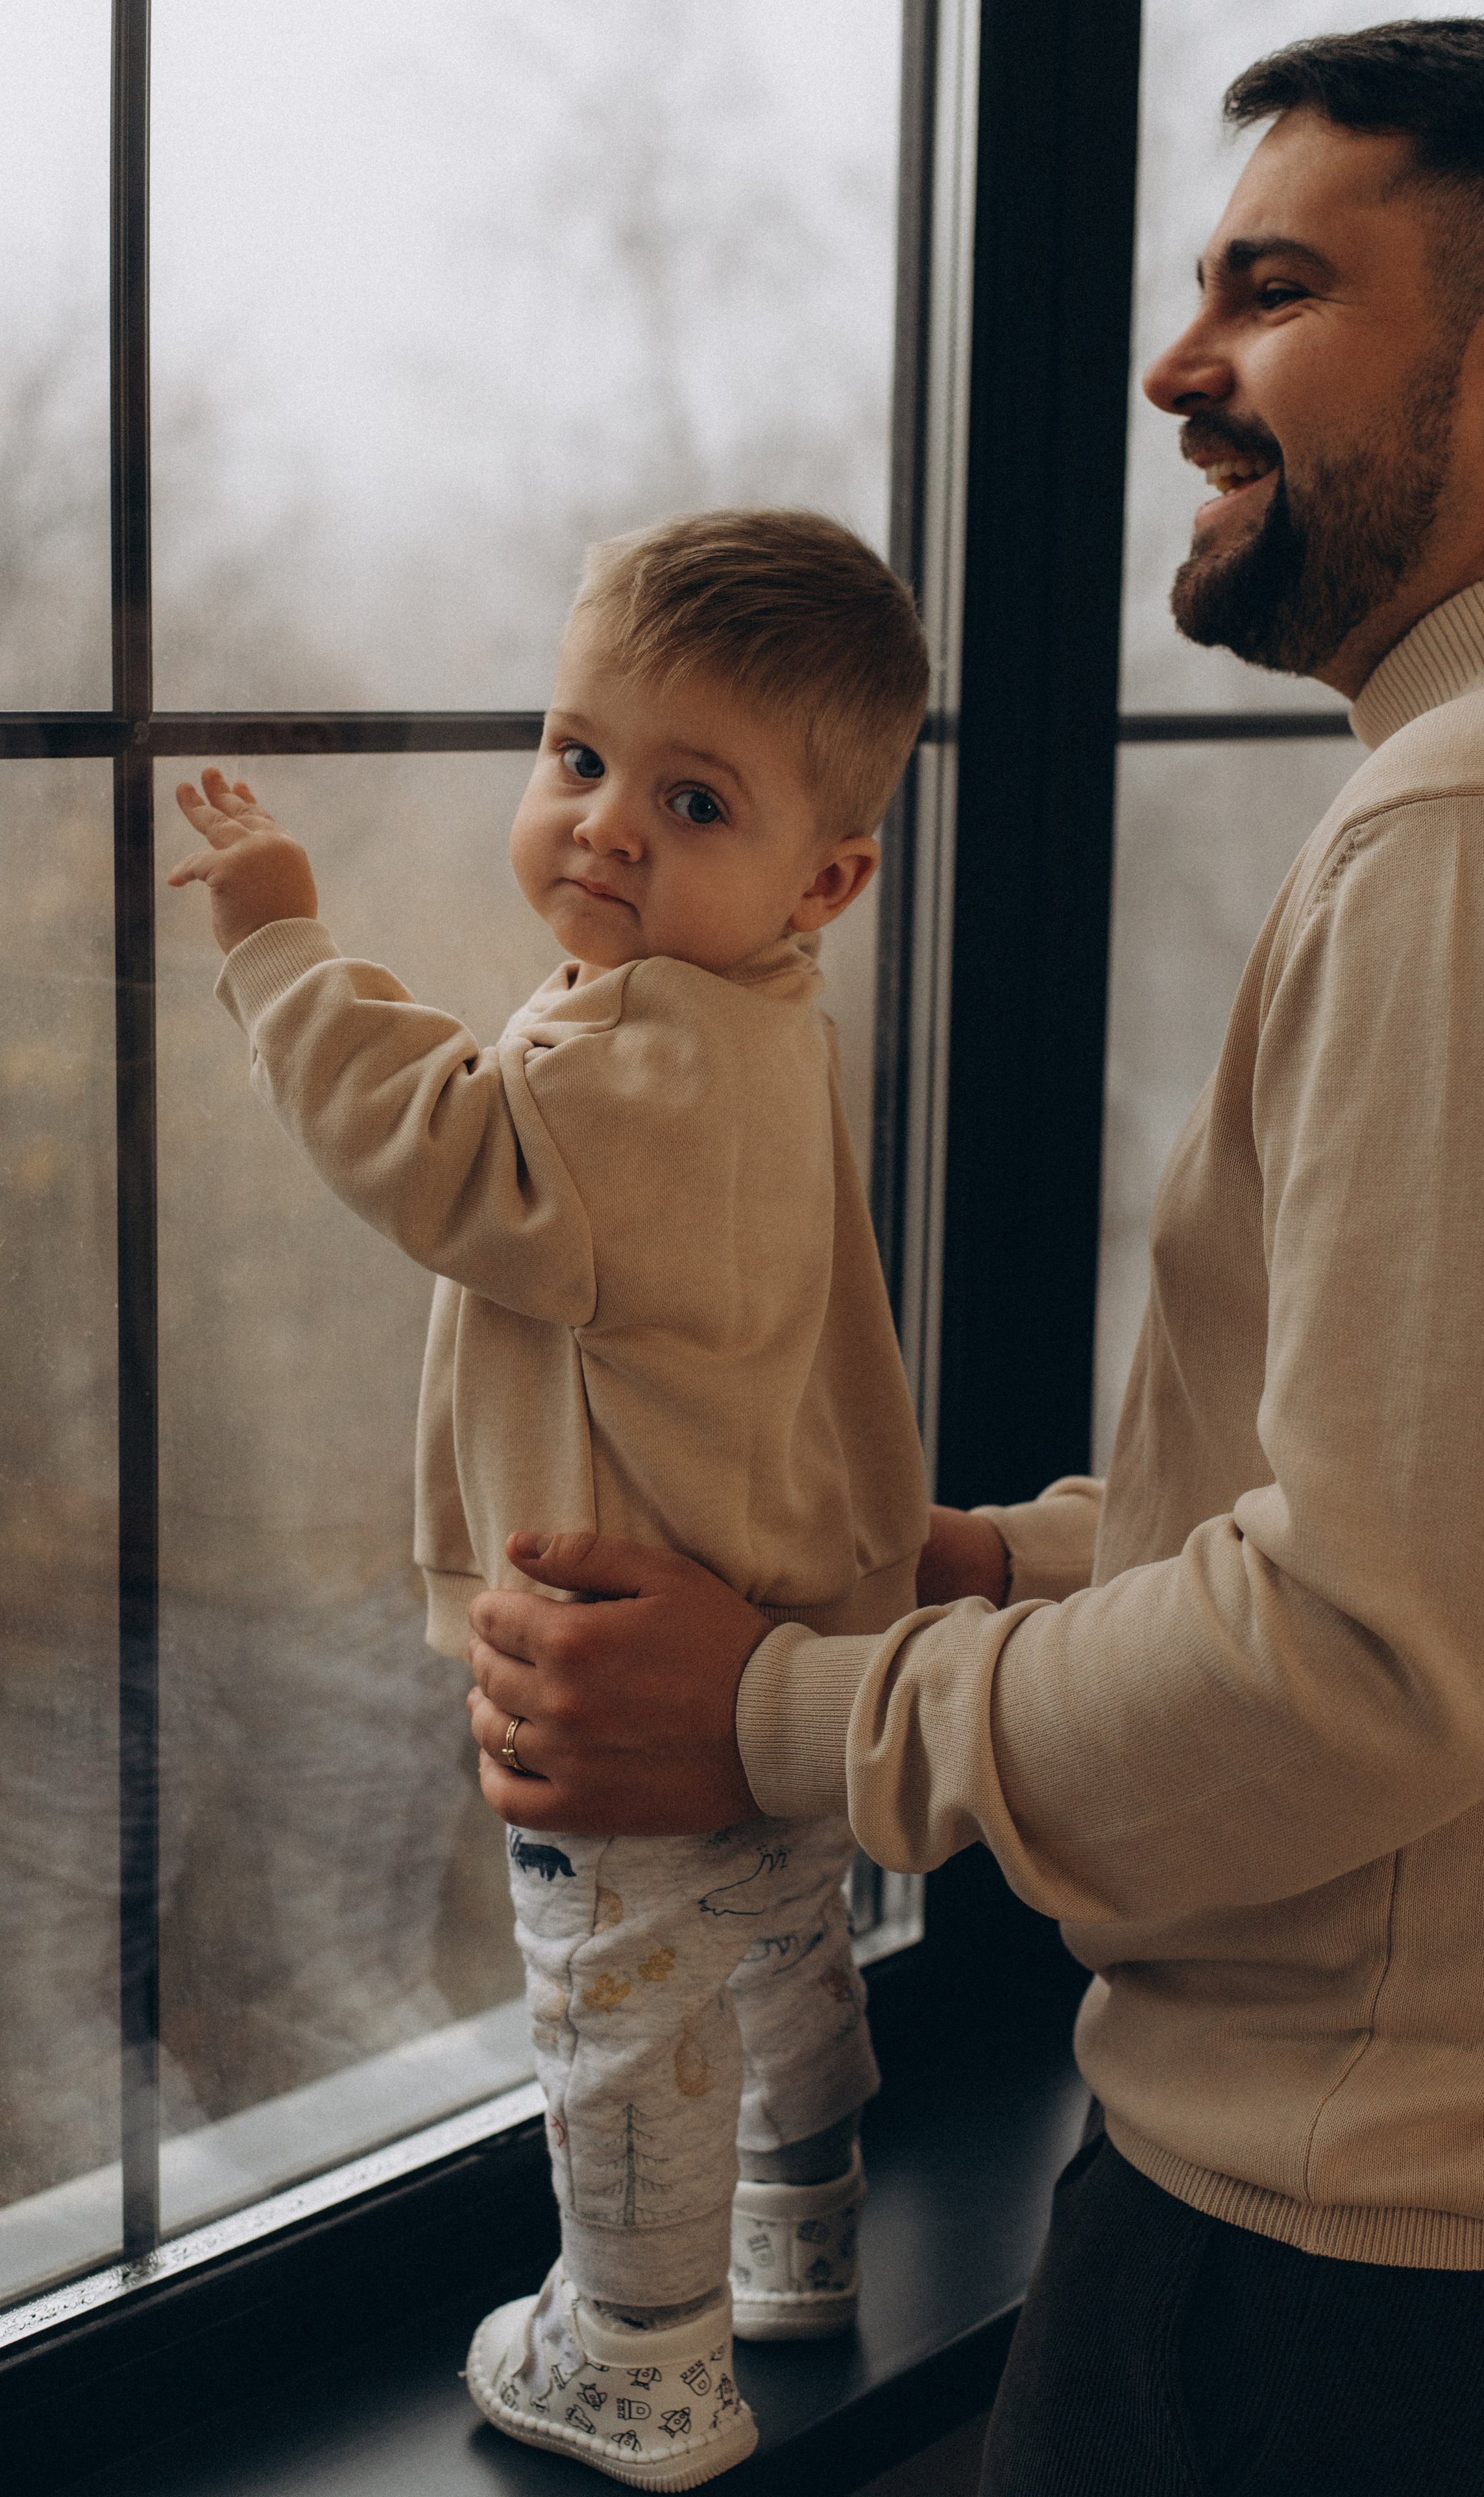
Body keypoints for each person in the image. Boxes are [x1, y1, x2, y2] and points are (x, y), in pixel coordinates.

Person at [459, 22, 1484, 2492]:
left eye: (1273, 287)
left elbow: (1371, 1657)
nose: (1170, 365)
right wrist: (996, 1568)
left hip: (1362, 2304)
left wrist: (791, 1718)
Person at [167, 509, 932, 2489]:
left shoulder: (619, 1068)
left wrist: (275, 943)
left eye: (689, 798)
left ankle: (642, 2356)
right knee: (778, 1941)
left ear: (826, 876)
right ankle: (807, 2212)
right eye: (578, 756)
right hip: (766, 1609)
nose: (603, 825)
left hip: (620, 1657)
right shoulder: (760, 1025)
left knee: (615, 1995)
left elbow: (441, 1155)